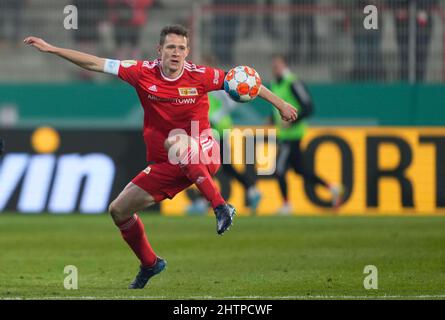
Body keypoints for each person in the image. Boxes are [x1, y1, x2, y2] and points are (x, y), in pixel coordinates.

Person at [24, 25, 297, 289]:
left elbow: (248, 83)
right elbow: (95, 63)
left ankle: (220, 206)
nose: (176, 53)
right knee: (118, 210)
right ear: (159, 50)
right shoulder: (141, 72)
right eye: (171, 47)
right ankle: (150, 263)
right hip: (169, 163)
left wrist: (281, 104)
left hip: (203, 148)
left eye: (181, 48)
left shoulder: (201, 75)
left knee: (175, 140)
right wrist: (52, 49)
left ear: (187, 52)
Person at [186, 57, 262, 214]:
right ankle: (251, 190)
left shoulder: (216, 84)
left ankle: (202, 201)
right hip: (209, 129)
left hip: (218, 128)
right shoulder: (203, 82)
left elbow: (231, 103)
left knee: (208, 164)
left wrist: (215, 118)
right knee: (223, 166)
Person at [270, 54, 343, 214]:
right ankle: (332, 188)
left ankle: (286, 205)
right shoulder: (276, 85)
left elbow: (308, 107)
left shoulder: (293, 83)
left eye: (278, 66)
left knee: (279, 170)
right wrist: (271, 119)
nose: (275, 69)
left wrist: (292, 122)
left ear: (285, 65)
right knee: (301, 170)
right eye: (273, 66)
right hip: (284, 135)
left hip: (292, 135)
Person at [390, 0, 438, 81]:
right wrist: (398, 8)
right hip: (403, 24)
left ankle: (419, 85)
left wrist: (424, 9)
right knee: (404, 57)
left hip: (423, 24)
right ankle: (405, 85)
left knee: (421, 57)